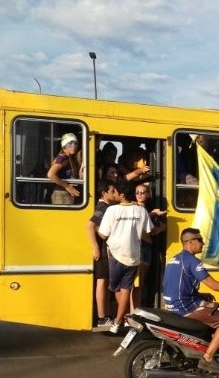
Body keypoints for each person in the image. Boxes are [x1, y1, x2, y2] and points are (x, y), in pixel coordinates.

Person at [162, 227, 219, 373]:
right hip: (185, 306)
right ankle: (208, 357)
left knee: (214, 307)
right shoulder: (192, 261)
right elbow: (214, 285)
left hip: (173, 304)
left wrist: (201, 295)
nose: (203, 243)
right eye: (200, 240)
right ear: (190, 242)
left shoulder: (174, 259)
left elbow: (179, 285)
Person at [97, 179, 153, 334]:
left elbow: (103, 235)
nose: (114, 194)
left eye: (115, 191)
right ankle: (121, 320)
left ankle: (119, 319)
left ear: (122, 194)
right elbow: (148, 230)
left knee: (116, 288)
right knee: (126, 288)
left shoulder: (112, 210)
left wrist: (98, 231)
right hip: (134, 256)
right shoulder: (141, 211)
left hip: (116, 255)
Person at [86, 178, 119, 329]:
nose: (115, 193)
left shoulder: (108, 207)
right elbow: (90, 225)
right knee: (102, 281)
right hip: (103, 250)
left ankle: (106, 314)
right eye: (112, 191)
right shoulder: (103, 207)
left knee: (105, 282)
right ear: (104, 193)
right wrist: (95, 247)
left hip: (105, 249)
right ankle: (101, 317)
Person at [132, 183, 167, 312]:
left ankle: (137, 310)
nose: (140, 195)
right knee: (136, 284)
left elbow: (151, 230)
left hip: (147, 247)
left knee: (141, 283)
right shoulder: (133, 207)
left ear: (148, 194)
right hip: (138, 247)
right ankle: (133, 311)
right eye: (137, 192)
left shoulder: (147, 209)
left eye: (143, 192)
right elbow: (139, 228)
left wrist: (159, 228)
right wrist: (152, 216)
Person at [47, 133, 82, 204]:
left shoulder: (70, 158)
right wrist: (67, 186)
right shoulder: (63, 158)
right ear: (64, 145)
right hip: (62, 194)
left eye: (75, 144)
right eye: (70, 143)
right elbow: (51, 174)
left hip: (66, 193)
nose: (73, 146)